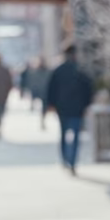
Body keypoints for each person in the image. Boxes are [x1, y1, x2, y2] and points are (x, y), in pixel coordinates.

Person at [46, 45, 93, 173]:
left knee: (63, 134)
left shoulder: (58, 70)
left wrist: (51, 104)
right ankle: (72, 161)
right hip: (77, 109)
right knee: (76, 136)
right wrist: (86, 105)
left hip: (62, 108)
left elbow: (51, 90)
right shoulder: (80, 71)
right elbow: (88, 89)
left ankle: (66, 159)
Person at [30, 57, 52, 128]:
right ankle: (42, 120)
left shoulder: (48, 71)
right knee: (42, 107)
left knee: (44, 108)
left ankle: (43, 120)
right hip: (39, 91)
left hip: (46, 92)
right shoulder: (36, 71)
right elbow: (33, 81)